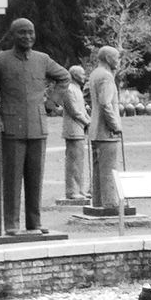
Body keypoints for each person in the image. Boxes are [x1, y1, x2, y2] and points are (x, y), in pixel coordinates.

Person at [0, 17, 70, 234]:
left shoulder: (42, 59)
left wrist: (52, 103)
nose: (27, 36)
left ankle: (34, 223)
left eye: (30, 32)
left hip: (38, 126)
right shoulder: (0, 61)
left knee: (35, 177)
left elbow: (64, 77)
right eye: (22, 32)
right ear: (13, 35)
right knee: (12, 179)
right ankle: (11, 224)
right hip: (10, 127)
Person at [87, 46, 123, 210]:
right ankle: (110, 203)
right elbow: (106, 104)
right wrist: (115, 125)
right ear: (109, 59)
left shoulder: (95, 73)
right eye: (117, 57)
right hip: (106, 131)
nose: (119, 61)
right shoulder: (107, 77)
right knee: (109, 169)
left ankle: (98, 201)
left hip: (96, 130)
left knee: (98, 169)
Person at [61, 64, 90, 202]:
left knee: (79, 161)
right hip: (73, 130)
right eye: (82, 74)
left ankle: (80, 189)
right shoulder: (69, 90)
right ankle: (72, 191)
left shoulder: (78, 89)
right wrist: (87, 122)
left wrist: (88, 121)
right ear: (74, 75)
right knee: (73, 162)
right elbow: (74, 111)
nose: (84, 76)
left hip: (80, 129)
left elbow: (82, 110)